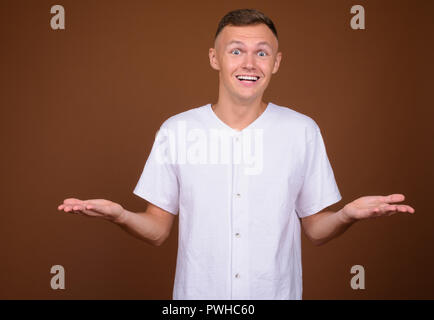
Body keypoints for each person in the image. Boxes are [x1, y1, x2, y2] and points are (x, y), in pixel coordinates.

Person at [57, 9, 415, 300]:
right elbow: (156, 230)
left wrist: (347, 215)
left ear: (276, 62)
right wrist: (120, 215)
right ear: (215, 58)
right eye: (236, 50)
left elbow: (317, 230)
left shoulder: (302, 131)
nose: (249, 63)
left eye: (262, 52)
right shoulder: (177, 130)